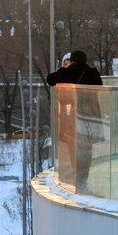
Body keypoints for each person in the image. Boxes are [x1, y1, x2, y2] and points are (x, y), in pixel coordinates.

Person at [47, 50, 103, 193]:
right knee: (87, 149)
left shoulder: (67, 72)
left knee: (74, 147)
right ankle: (83, 179)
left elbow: (50, 79)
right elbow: (99, 88)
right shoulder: (92, 73)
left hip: (73, 116)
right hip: (90, 116)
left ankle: (76, 178)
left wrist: (64, 69)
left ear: (71, 61)